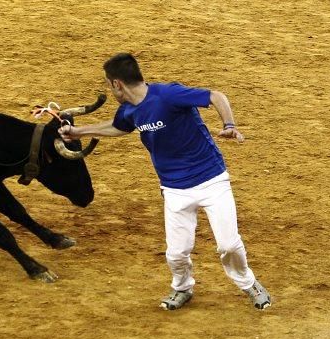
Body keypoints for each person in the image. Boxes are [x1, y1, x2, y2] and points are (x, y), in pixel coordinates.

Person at [59, 53, 271, 310]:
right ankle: (182, 288)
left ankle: (250, 284)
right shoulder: (128, 111)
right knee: (176, 253)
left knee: (228, 244)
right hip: (174, 189)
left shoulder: (168, 95)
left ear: (117, 84)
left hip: (212, 179)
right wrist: (77, 131)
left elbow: (216, 96)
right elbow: (117, 128)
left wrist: (229, 123)